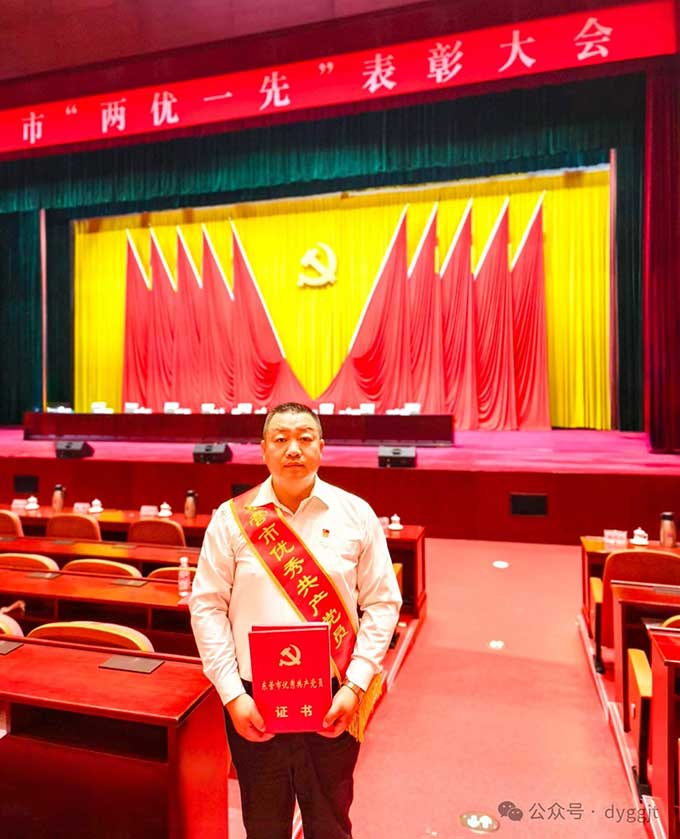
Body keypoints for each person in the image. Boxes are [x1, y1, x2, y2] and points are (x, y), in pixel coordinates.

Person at [190, 401, 402, 839]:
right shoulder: (232, 520)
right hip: (254, 702)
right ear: (263, 449)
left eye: (305, 438)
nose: (293, 449)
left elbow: (383, 603)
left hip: (334, 696)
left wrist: (356, 685)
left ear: (321, 447)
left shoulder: (355, 515)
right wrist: (232, 695)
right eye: (281, 439)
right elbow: (207, 606)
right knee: (264, 825)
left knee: (330, 823)